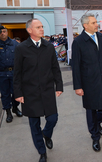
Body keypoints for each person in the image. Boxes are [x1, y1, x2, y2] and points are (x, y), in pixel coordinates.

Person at [14, 18, 63, 162]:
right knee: (34, 124)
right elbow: (17, 73)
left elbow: (55, 68)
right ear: (29, 30)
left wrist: (59, 86)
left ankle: (46, 134)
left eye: (42, 27)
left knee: (53, 118)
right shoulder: (21, 48)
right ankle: (42, 151)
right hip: (29, 92)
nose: (42, 29)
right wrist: (18, 93)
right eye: (38, 27)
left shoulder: (48, 46)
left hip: (47, 90)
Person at [72, 13, 102, 152]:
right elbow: (76, 66)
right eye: (93, 23)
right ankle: (95, 137)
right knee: (91, 109)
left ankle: (96, 124)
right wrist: (77, 86)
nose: (97, 24)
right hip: (88, 82)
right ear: (85, 25)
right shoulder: (78, 41)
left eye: (96, 22)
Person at [0, 26, 22, 123]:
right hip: (2, 73)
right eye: (1, 32)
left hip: (14, 72)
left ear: (7, 32)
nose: (3, 33)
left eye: (4, 31)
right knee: (5, 94)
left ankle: (15, 107)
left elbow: (21, 58)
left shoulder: (15, 44)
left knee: (16, 92)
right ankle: (8, 112)